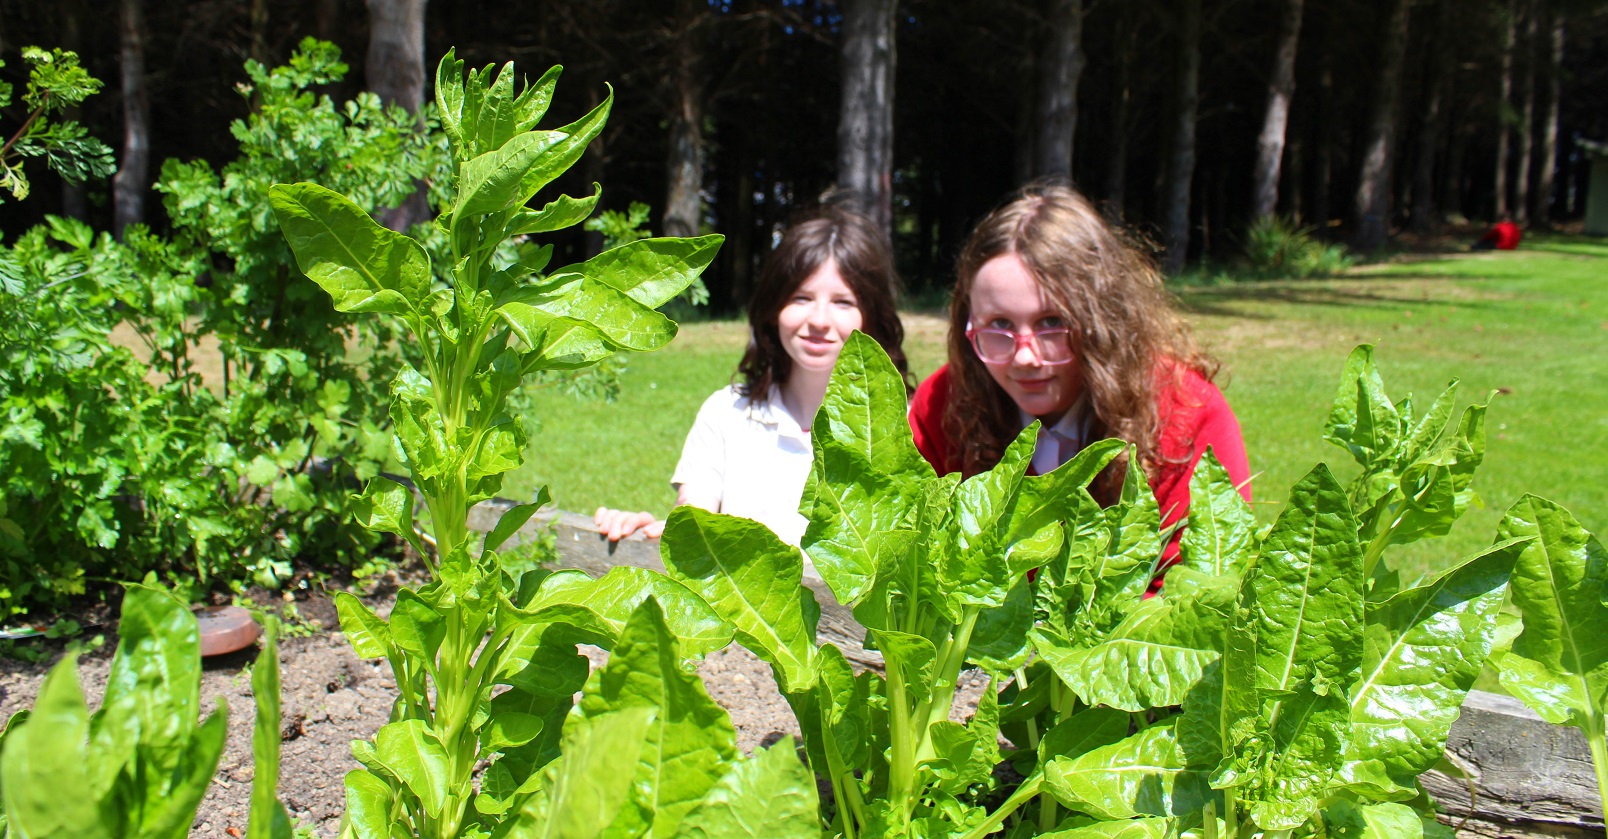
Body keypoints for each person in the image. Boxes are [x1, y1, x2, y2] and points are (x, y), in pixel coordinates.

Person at [907, 183, 1250, 578]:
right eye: (999, 325)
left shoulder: (1189, 414)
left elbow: (1194, 590)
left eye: (1052, 323)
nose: (1025, 357)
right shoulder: (942, 403)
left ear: (1104, 322)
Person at [594, 205, 913, 545]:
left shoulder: (905, 425)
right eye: (801, 298)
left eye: (843, 302)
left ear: (873, 315)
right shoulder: (725, 414)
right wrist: (645, 528)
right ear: (773, 308)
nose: (819, 320)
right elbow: (692, 521)